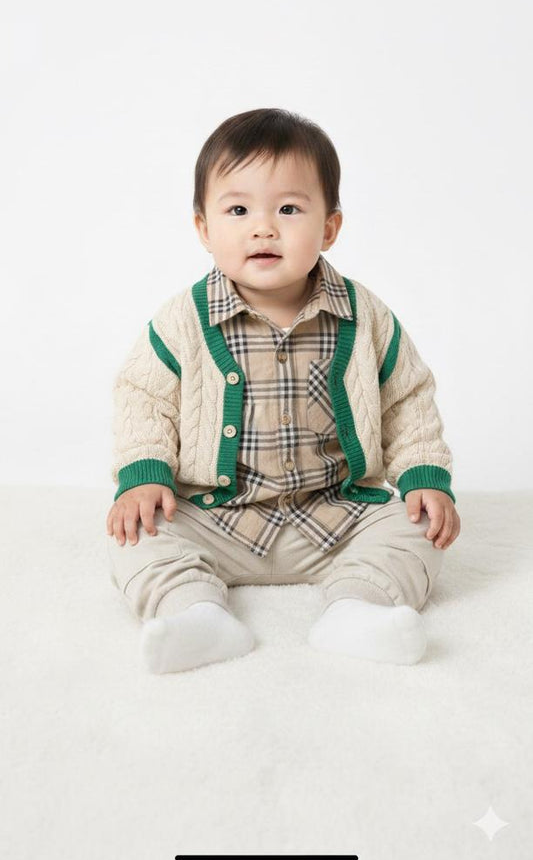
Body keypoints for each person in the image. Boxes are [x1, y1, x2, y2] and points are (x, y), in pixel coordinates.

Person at [105, 107, 461, 674]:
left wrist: (423, 477)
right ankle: (193, 614)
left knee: (418, 526)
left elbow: (407, 400)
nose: (263, 227)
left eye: (289, 209)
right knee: (137, 534)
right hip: (218, 514)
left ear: (329, 227)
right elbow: (143, 399)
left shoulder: (364, 318)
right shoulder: (182, 322)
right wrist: (145, 474)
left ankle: (356, 609)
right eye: (238, 209)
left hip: (339, 512)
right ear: (203, 228)